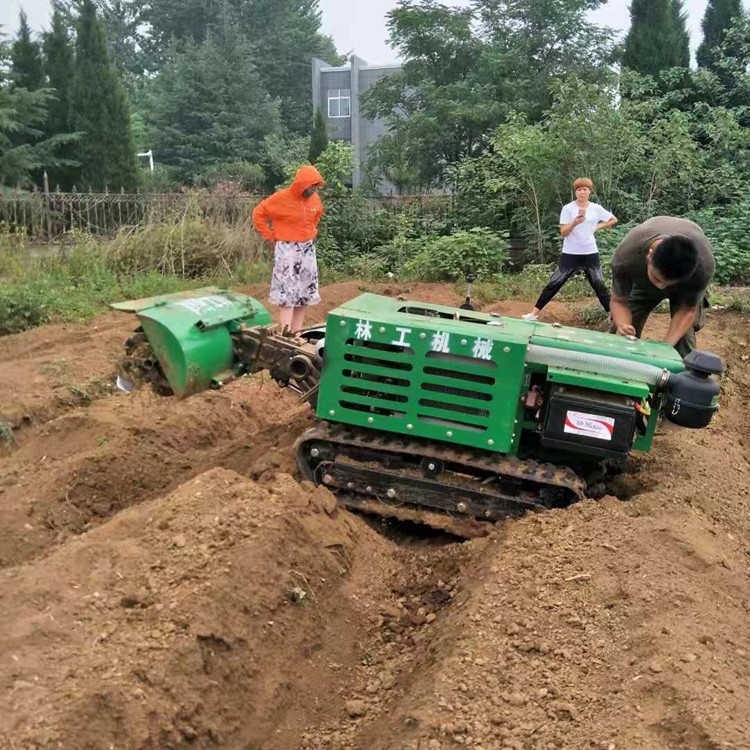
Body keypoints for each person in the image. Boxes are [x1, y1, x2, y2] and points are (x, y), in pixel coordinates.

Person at [609, 216, 715, 358]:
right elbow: (619, 301)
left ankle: (679, 376)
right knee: (620, 333)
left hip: (683, 288)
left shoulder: (703, 267)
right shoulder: (627, 256)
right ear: (649, 256)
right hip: (643, 283)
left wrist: (664, 349)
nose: (661, 286)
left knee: (683, 341)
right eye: (657, 279)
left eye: (667, 284)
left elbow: (687, 309)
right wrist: (623, 325)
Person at [523, 178, 617, 321]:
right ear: (575, 192)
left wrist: (597, 227)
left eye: (585, 189)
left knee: (598, 283)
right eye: (579, 189)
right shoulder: (568, 208)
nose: (582, 192)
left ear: (590, 191)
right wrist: (574, 223)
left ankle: (612, 315)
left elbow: (613, 220)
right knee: (555, 282)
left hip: (590, 251)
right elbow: (563, 233)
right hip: (570, 252)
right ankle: (533, 313)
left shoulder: (596, 208)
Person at [252, 165, 325, 332]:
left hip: (307, 249)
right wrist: (269, 236)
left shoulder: (315, 200)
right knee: (287, 292)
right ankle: (286, 333)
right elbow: (258, 214)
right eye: (311, 186)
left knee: (304, 293)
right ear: (301, 183)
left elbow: (317, 215)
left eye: (316, 186)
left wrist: (311, 231)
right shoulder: (280, 198)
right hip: (287, 249)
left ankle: (296, 332)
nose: (313, 190)